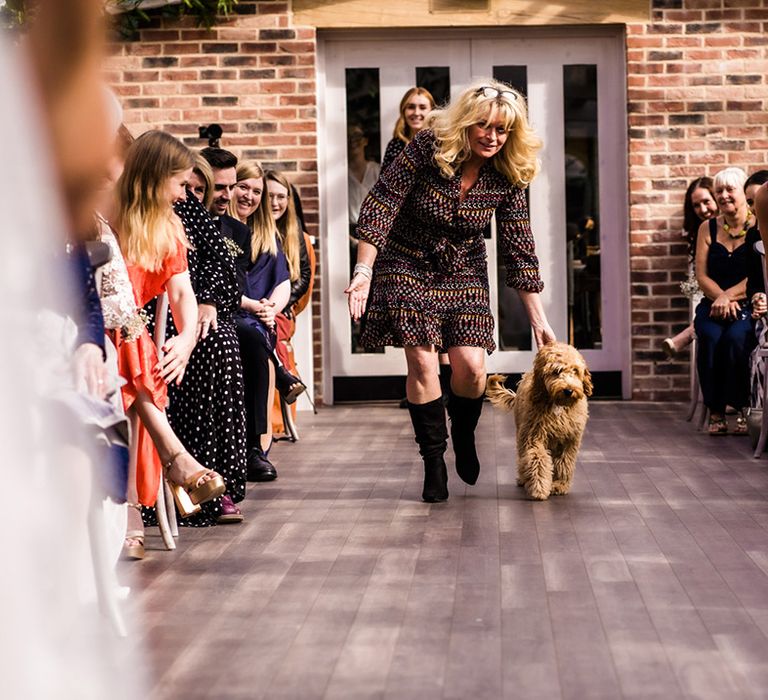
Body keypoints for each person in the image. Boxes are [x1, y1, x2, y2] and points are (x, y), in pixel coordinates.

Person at [346, 80, 555, 503]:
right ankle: (433, 461)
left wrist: (539, 319)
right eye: (484, 126)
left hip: (463, 267)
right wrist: (364, 270)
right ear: (466, 122)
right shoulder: (428, 147)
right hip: (406, 260)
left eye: (502, 130)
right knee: (423, 363)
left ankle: (463, 429)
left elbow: (519, 244)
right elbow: (382, 202)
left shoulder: (507, 172)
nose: (492, 137)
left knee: (472, 368)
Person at [114, 130, 226, 545]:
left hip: (127, 345)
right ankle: (175, 459)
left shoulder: (168, 225)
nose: (184, 195)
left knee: (132, 353)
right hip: (89, 331)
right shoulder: (103, 212)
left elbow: (182, 294)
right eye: (180, 184)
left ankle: (131, 511)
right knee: (129, 341)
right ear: (155, 176)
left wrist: (185, 341)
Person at [231, 159, 291, 481]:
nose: (249, 196)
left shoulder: (267, 234)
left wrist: (271, 308)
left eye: (257, 191)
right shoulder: (220, 228)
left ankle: (257, 449)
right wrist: (255, 307)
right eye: (244, 187)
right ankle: (251, 447)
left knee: (257, 333)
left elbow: (282, 282)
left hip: (259, 316)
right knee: (251, 335)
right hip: (232, 312)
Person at [693, 167, 758, 435]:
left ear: (743, 193)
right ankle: (716, 411)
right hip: (712, 304)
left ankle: (743, 407)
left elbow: (758, 274)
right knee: (709, 337)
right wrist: (719, 297)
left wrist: (729, 297)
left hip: (747, 304)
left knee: (736, 339)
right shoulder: (707, 228)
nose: (723, 195)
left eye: (729, 189)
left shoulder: (758, 225)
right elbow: (701, 274)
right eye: (718, 190)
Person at [265, 168, 312, 404]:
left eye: (281, 196)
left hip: (282, 306)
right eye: (269, 195)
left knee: (275, 327)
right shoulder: (252, 230)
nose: (275, 202)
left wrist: (278, 303)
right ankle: (284, 379)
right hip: (256, 304)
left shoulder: (295, 234)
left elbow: (303, 277)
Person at [662, 177, 718, 358]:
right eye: (696, 205)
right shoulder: (698, 233)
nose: (703, 210)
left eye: (706, 202)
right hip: (708, 292)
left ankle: (685, 336)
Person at [381, 86, 436, 172]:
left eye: (422, 107)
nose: (416, 113)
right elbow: (384, 181)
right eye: (411, 107)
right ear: (403, 111)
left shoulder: (439, 144)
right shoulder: (395, 144)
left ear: (431, 111)